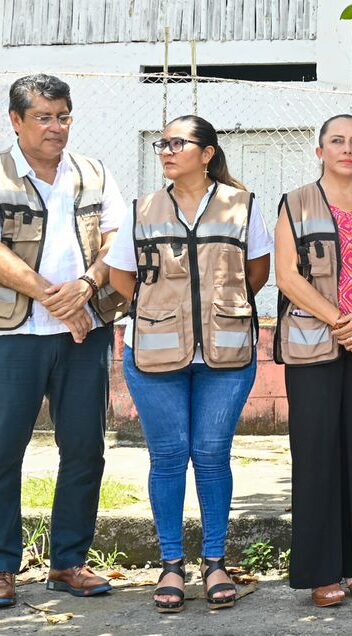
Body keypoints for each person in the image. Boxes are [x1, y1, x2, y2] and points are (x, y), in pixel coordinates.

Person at [106, 115, 272, 612]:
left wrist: (216, 311)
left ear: (206, 153)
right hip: (154, 353)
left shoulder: (242, 206)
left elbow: (256, 271)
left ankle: (216, 562)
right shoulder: (144, 208)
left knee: (212, 452)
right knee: (170, 455)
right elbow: (120, 277)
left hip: (227, 352)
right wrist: (164, 313)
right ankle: (172, 564)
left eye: (177, 143)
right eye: (162, 143)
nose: (166, 151)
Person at [0, 74, 129, 608]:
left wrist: (86, 286)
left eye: (63, 117)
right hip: (15, 336)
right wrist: (54, 297)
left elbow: (118, 238)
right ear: (16, 121)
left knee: (84, 449)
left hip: (85, 336)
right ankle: (3, 568)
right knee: (4, 452)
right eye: (44, 118)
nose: (56, 128)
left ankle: (68, 563)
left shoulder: (94, 173)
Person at [274, 114, 352, 608]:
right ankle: (321, 570)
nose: (347, 149)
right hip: (313, 344)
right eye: (337, 141)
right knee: (316, 454)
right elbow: (287, 275)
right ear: (320, 150)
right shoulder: (296, 202)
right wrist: (340, 321)